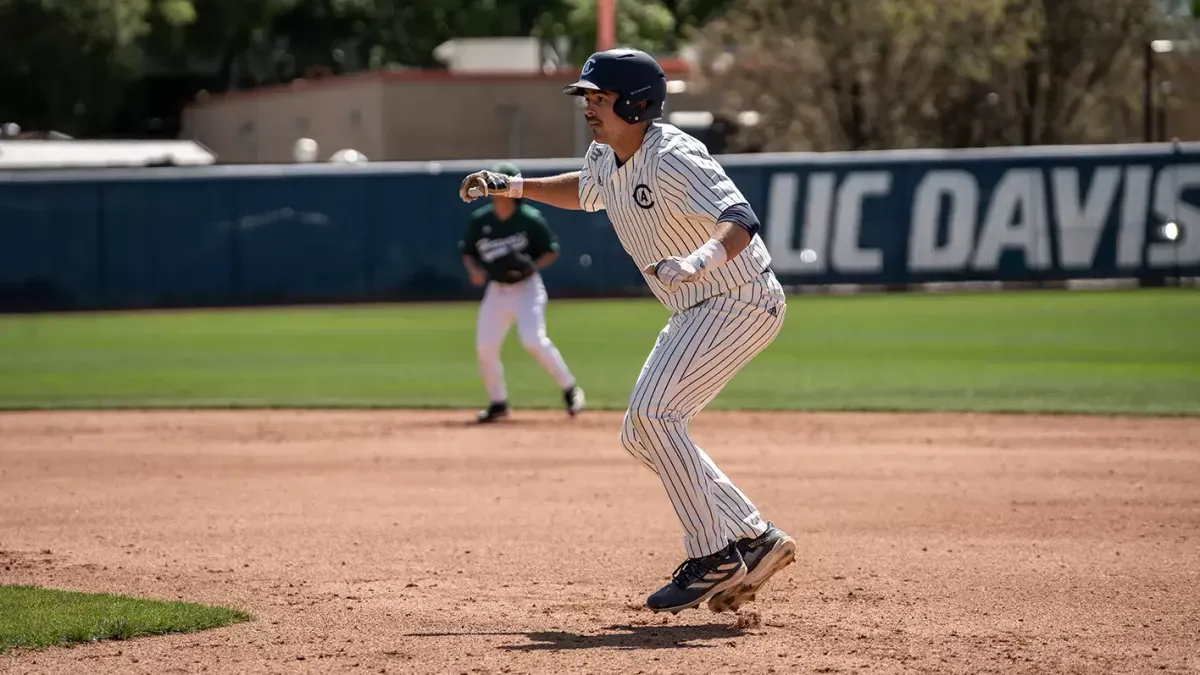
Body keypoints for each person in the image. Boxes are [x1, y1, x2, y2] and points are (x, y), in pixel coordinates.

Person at [458, 50, 795, 615]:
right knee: (642, 431)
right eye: (586, 97)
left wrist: (700, 260)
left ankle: (713, 555)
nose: (589, 106)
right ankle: (752, 537)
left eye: (600, 96)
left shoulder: (674, 155)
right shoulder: (607, 155)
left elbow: (740, 217)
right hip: (698, 307)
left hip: (738, 297)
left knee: (653, 416)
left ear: (637, 103)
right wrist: (514, 186)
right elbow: (587, 190)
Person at [458, 162, 586, 424]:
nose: (495, 192)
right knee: (485, 347)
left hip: (527, 287)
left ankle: (570, 389)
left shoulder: (529, 219)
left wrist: (533, 266)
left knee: (533, 339)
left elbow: (551, 249)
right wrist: (474, 270)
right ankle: (498, 403)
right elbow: (468, 251)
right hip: (497, 289)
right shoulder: (481, 220)